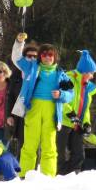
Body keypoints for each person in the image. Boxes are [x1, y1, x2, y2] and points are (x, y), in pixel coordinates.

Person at [11, 33, 74, 177]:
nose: (47, 57)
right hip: (33, 109)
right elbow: (16, 58)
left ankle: (48, 176)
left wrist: (61, 95)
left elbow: (70, 94)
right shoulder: (31, 68)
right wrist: (19, 42)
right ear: (40, 56)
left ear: (55, 57)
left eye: (50, 54)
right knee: (29, 145)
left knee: (50, 146)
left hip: (52, 112)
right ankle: (24, 175)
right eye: (44, 54)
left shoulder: (61, 74)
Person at [57, 49, 96, 175]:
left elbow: (85, 108)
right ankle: (60, 175)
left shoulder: (87, 86)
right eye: (91, 73)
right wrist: (71, 115)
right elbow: (62, 99)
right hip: (65, 122)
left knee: (79, 154)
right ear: (84, 71)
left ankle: (71, 175)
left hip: (77, 124)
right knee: (60, 153)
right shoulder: (69, 79)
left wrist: (86, 123)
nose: (92, 76)